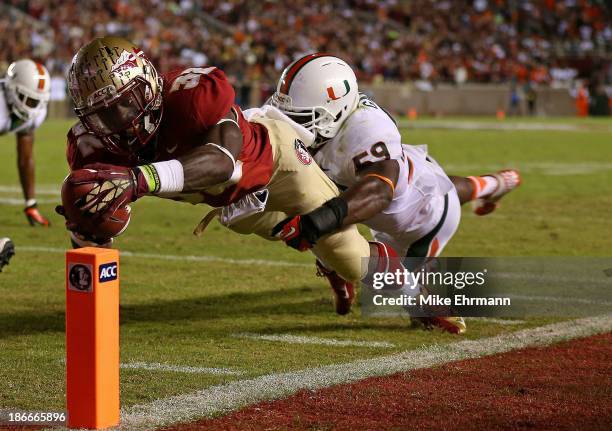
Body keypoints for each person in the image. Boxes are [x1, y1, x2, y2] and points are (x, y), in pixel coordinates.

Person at [57, 37, 450, 330]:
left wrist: (137, 179)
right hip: (235, 206)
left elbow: (222, 164)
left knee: (349, 255)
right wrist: (89, 225)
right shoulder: (91, 144)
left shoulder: (192, 93)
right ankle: (324, 259)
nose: (116, 122)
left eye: (123, 104)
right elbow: (97, 232)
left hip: (277, 162)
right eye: (100, 115)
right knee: (295, 235)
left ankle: (417, 299)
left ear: (147, 85)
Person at [267, 54, 521, 329]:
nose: (291, 125)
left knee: (420, 307)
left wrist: (318, 224)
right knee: (315, 211)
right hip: (414, 173)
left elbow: (378, 192)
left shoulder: (366, 128)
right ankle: (496, 183)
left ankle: (493, 184)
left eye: (301, 118)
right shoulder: (330, 123)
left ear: (335, 110)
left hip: (422, 224)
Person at [0, 60, 52, 226]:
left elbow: (25, 158)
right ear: (10, 88)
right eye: (27, 99)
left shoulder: (36, 113)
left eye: (35, 102)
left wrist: (31, 204)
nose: (31, 107)